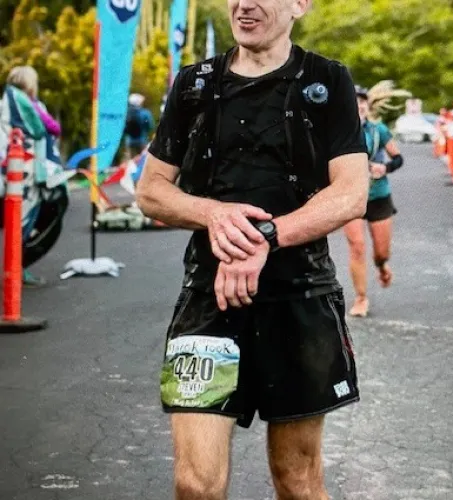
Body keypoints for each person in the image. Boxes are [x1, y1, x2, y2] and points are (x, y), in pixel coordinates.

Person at [136, 0, 369, 497]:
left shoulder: (328, 82)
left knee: (297, 480)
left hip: (299, 296)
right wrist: (214, 213)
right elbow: (151, 189)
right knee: (195, 485)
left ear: (299, 5)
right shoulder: (193, 84)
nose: (244, 4)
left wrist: (266, 237)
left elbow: (351, 192)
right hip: (208, 298)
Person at [2, 65, 68, 287]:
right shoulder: (27, 104)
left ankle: (15, 269)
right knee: (23, 220)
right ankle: (15, 270)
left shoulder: (8, 103)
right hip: (26, 171)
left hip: (14, 170)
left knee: (18, 220)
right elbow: (46, 129)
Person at [343, 82, 406, 318]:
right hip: (350, 197)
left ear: (367, 107)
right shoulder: (337, 131)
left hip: (379, 195)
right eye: (354, 102)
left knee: (381, 252)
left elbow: (398, 158)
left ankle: (382, 266)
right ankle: (360, 298)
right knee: (357, 247)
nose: (358, 106)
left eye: (362, 102)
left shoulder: (378, 130)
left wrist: (385, 167)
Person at [123, 93, 154, 159]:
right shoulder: (145, 113)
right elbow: (151, 126)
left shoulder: (127, 113)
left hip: (129, 141)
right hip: (142, 141)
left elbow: (124, 128)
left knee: (131, 162)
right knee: (142, 162)